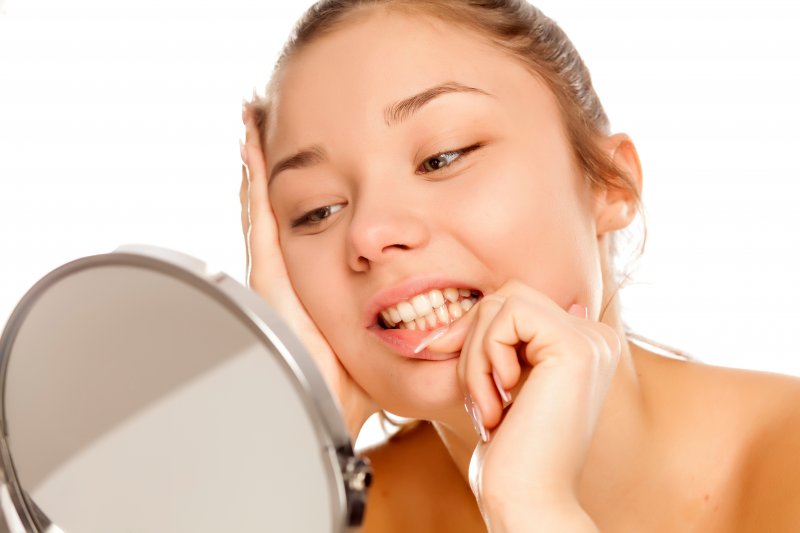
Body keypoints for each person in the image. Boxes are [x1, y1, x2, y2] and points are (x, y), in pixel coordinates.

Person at [239, 1, 800, 530]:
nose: (369, 233)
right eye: (316, 210)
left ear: (609, 184)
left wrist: (532, 508)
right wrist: (301, 432)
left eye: (443, 157)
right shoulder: (326, 511)